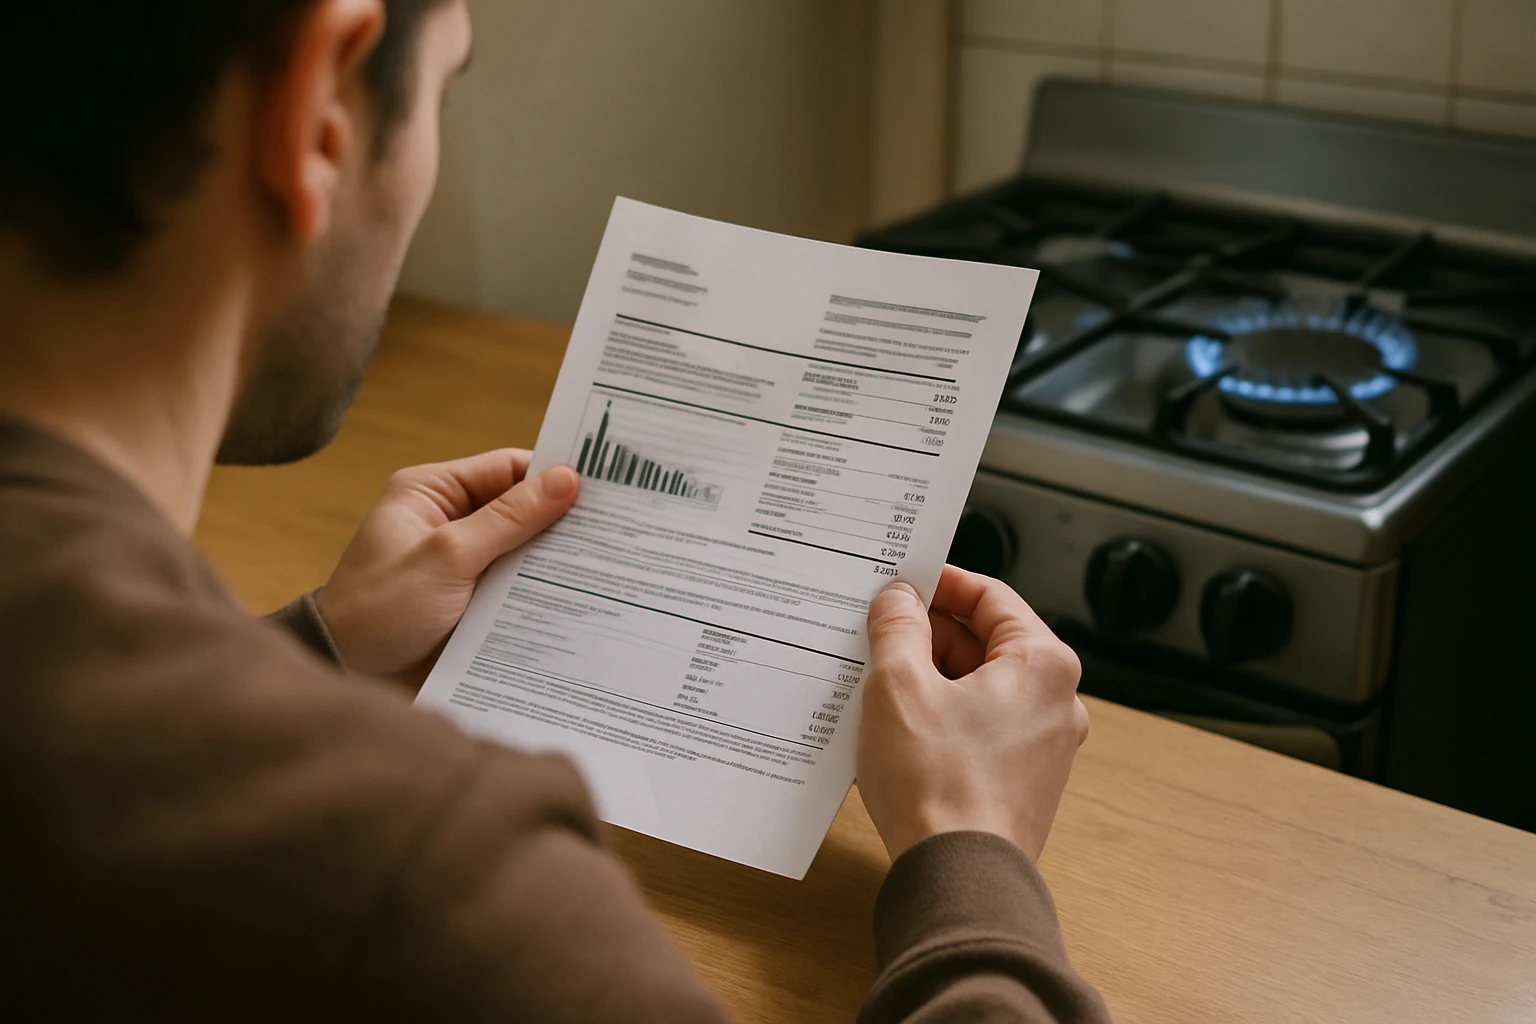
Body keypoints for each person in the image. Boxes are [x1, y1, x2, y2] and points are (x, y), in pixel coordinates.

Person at [0, 1, 1109, 1020]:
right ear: (319, 114)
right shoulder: (425, 877)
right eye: (443, 90)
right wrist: (975, 856)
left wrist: (313, 651)